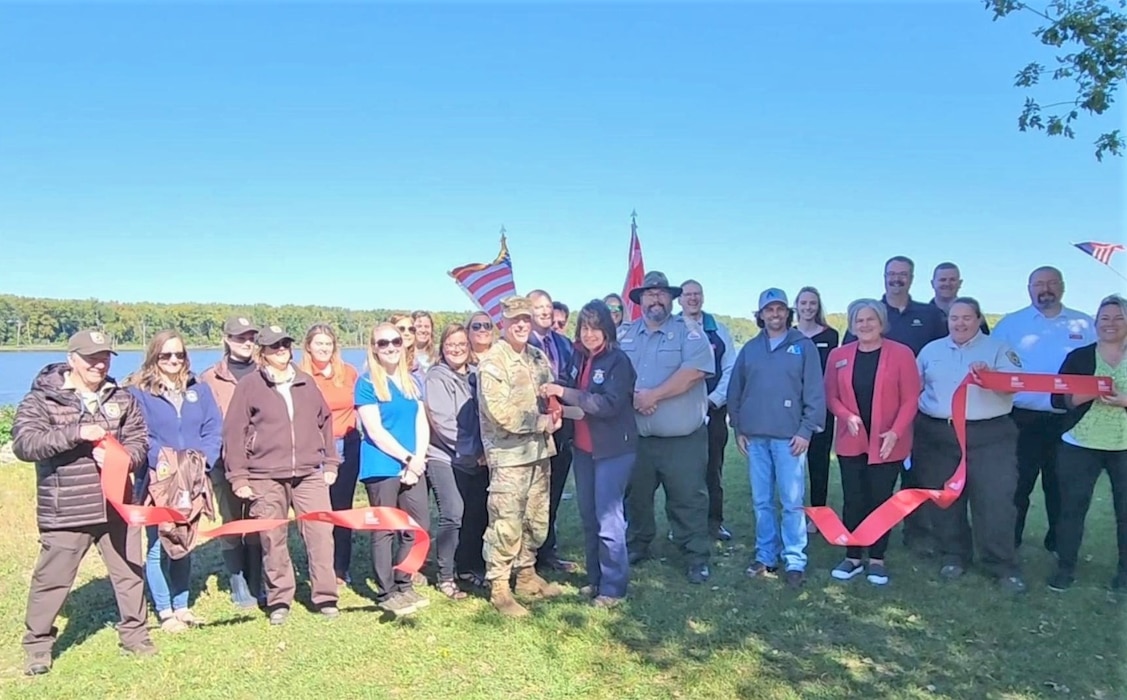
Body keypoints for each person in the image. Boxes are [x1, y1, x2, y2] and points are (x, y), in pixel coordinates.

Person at [12, 329, 155, 675]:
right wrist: (74, 433)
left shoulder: (122, 397)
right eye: (91, 357)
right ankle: (38, 648)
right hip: (67, 509)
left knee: (129, 574)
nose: (99, 363)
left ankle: (135, 635)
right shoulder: (42, 399)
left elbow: (139, 441)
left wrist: (125, 460)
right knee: (53, 580)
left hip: (116, 505)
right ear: (71, 359)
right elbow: (24, 444)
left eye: (105, 356)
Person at [222, 325, 341, 624]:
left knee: (320, 535)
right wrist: (239, 477)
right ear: (263, 352)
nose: (281, 351)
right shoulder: (249, 385)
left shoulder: (306, 382)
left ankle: (325, 596)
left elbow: (325, 423)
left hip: (308, 473)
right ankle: (279, 600)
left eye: (285, 345)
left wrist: (330, 463)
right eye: (274, 347)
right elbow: (234, 432)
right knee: (272, 539)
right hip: (265, 475)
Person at [915, 298, 1027, 593]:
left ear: (979, 320)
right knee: (945, 499)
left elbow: (1016, 385)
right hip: (939, 434)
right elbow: (915, 387)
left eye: (966, 318)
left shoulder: (998, 348)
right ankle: (953, 555)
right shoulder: (931, 350)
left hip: (989, 435)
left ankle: (1001, 564)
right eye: (954, 318)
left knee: (995, 500)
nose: (960, 323)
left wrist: (990, 377)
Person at [993, 266, 1096, 556]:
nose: (1045, 289)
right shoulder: (1011, 324)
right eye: (1039, 284)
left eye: (1052, 283)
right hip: (1021, 418)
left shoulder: (1084, 324)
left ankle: (1058, 544)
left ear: (1062, 286)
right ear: (1029, 288)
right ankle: (1009, 541)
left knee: (1062, 486)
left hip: (1069, 419)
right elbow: (993, 365)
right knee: (1017, 485)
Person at [619, 271, 715, 584]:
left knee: (688, 498)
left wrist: (652, 395)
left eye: (661, 294)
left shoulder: (689, 331)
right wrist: (633, 397)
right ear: (640, 300)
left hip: (681, 440)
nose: (656, 299)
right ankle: (638, 544)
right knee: (637, 497)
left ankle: (695, 554)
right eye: (649, 294)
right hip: (638, 439)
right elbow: (615, 374)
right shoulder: (626, 334)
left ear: (671, 299)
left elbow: (695, 371)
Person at [542, 300, 638, 607]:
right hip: (583, 449)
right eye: (585, 327)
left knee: (609, 519)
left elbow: (605, 405)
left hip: (613, 451)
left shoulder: (618, 361)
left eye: (596, 327)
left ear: (607, 329)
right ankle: (596, 579)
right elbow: (574, 398)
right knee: (588, 516)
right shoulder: (580, 358)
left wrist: (563, 393)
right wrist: (556, 402)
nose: (590, 333)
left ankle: (613, 588)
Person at [728, 288, 825, 589]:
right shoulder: (751, 349)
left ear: (788, 312)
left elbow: (814, 391)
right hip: (756, 437)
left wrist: (806, 429)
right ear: (760, 315)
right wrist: (739, 428)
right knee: (761, 500)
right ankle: (766, 555)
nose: (774, 314)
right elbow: (736, 390)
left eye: (780, 309)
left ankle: (795, 559)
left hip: (789, 438)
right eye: (768, 310)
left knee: (792, 501)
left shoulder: (803, 346)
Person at [126, 330, 222, 631]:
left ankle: (182, 607)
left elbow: (213, 429)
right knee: (158, 545)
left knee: (184, 541)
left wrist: (201, 462)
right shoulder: (138, 391)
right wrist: (167, 464)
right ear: (155, 356)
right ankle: (165, 611)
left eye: (179, 354)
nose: (173, 360)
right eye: (166, 355)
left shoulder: (200, 389)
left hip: (194, 476)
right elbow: (140, 435)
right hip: (159, 478)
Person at [477, 295, 564, 617]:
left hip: (540, 453)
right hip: (509, 456)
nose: (521, 325)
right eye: (515, 320)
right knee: (506, 523)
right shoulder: (493, 362)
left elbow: (549, 393)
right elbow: (499, 412)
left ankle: (526, 574)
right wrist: (541, 422)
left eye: (526, 319)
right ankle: (499, 587)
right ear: (504, 323)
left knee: (536, 520)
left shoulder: (538, 357)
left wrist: (555, 412)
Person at [823, 300, 919, 586]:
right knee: (853, 498)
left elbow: (911, 398)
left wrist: (896, 432)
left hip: (888, 441)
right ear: (852, 325)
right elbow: (831, 396)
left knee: (880, 499)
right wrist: (846, 415)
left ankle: (877, 558)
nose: (864, 325)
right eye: (858, 321)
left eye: (870, 320)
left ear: (881, 322)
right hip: (851, 440)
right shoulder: (839, 356)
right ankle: (852, 556)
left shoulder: (901, 354)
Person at [1048, 294, 1127, 591]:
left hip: (1123, 446)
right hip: (1080, 443)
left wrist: (1123, 400)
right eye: (1104, 318)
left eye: (1118, 317)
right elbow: (1058, 399)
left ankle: (1124, 573)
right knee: (1072, 508)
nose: (1111, 323)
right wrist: (1089, 391)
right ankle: (1065, 568)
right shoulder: (1079, 357)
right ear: (1095, 323)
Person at [355, 322, 433, 616]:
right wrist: (406, 458)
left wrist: (418, 459)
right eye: (383, 343)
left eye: (395, 342)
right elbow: (374, 431)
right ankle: (386, 590)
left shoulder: (412, 382)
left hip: (413, 464)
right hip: (382, 465)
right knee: (385, 530)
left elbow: (421, 422)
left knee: (417, 526)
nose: (390, 347)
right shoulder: (366, 383)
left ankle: (404, 580)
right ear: (374, 348)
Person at [199, 314, 264, 608]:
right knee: (232, 520)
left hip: (262, 461)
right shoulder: (209, 379)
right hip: (224, 462)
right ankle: (238, 581)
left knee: (258, 519)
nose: (246, 343)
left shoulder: (267, 371)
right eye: (240, 338)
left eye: (251, 338)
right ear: (226, 340)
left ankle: (256, 579)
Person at [298, 323, 360, 586]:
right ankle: (319, 567)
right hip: (314, 448)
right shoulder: (299, 375)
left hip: (347, 445)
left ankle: (340, 568)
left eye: (328, 343)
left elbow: (359, 407)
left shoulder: (348, 372)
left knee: (341, 508)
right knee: (317, 512)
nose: (324, 348)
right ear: (308, 346)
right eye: (318, 343)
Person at [678, 279, 738, 541]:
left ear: (703, 298)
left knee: (713, 469)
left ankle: (714, 523)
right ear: (679, 300)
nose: (692, 298)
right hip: (677, 413)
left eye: (697, 294)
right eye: (687, 294)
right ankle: (681, 526)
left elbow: (730, 370)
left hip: (712, 412)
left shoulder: (719, 330)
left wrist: (714, 399)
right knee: (681, 473)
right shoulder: (672, 328)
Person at [424, 323, 480, 601]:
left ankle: (467, 567)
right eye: (450, 345)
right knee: (453, 514)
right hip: (444, 456)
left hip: (475, 458)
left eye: (461, 344)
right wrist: (473, 451)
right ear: (442, 348)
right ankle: (445, 575)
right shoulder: (436, 377)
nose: (456, 349)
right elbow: (443, 424)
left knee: (474, 514)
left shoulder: (475, 375)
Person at [527, 288, 578, 573]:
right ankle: (527, 556)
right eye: (538, 307)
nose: (545, 311)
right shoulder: (520, 345)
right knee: (533, 494)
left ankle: (548, 550)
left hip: (563, 429)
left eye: (548, 306)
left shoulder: (564, 344)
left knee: (554, 493)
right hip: (533, 431)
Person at [453, 311, 495, 587]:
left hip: (499, 448)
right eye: (476, 325)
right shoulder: (461, 366)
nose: (481, 329)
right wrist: (476, 450)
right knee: (469, 510)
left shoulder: (500, 359)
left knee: (491, 509)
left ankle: (488, 561)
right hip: (469, 452)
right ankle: (465, 564)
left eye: (487, 325)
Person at [794, 286, 840, 533]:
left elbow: (832, 372)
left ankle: (818, 513)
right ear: (797, 306)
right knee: (793, 462)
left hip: (820, 407)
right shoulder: (790, 335)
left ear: (818, 306)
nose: (808, 307)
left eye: (812, 303)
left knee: (819, 461)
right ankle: (796, 511)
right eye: (803, 303)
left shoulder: (830, 335)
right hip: (792, 408)